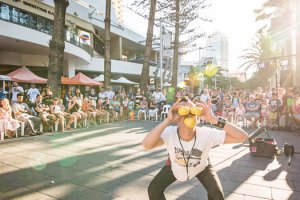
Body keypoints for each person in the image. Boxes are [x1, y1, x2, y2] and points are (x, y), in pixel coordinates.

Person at [143, 98, 248, 200]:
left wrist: (213, 119)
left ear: (197, 118)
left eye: (192, 112)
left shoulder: (206, 134)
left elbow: (243, 137)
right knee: (153, 190)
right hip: (176, 164)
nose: (189, 115)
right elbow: (146, 145)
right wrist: (168, 120)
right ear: (177, 118)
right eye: (184, 112)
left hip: (201, 165)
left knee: (217, 195)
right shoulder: (170, 132)